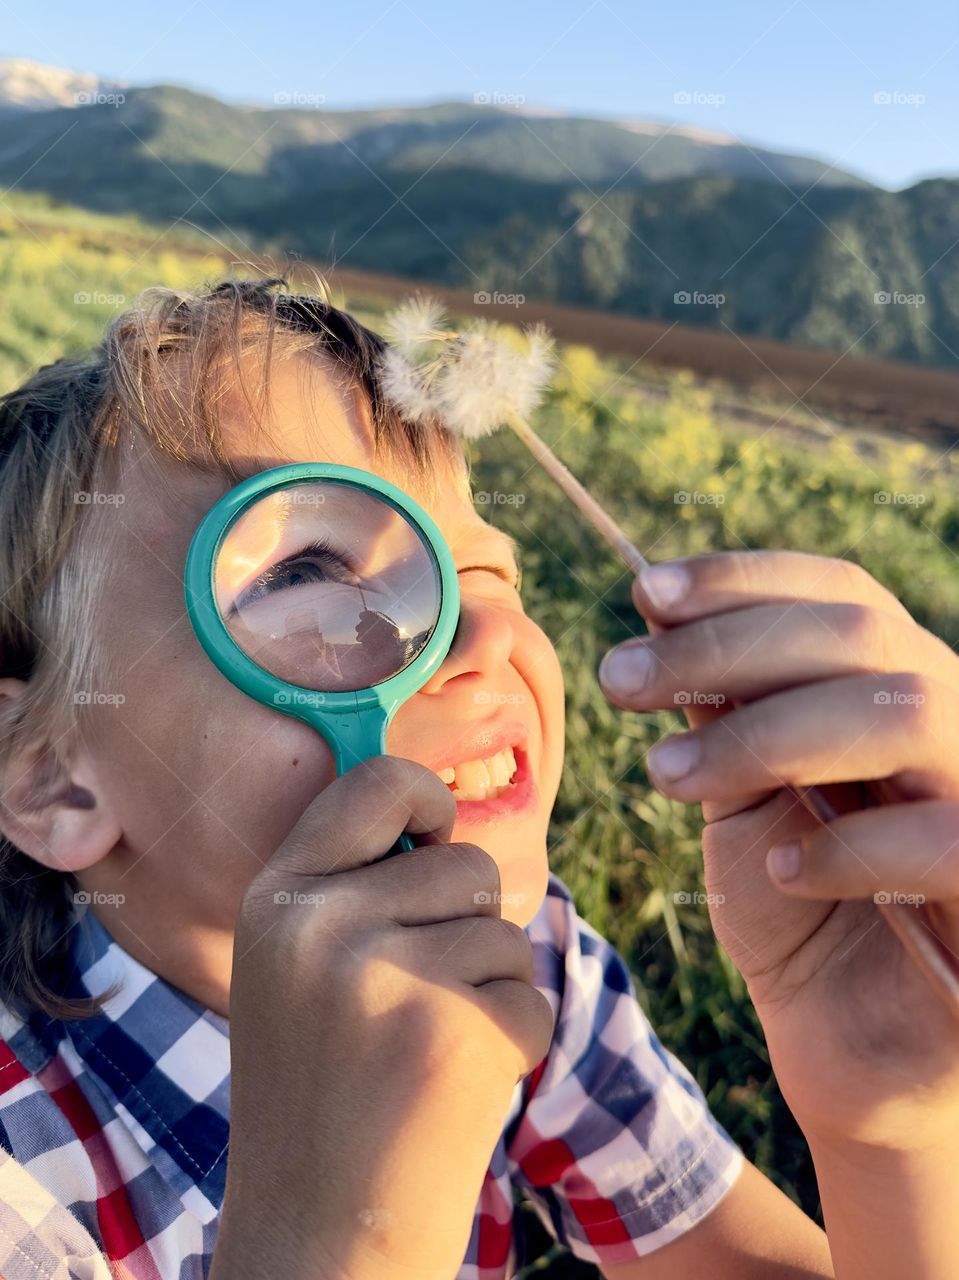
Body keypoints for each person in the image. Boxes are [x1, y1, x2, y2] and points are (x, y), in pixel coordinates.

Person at [0, 278, 955, 1280]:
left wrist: (890, 1134)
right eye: (307, 574)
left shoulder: (532, 962)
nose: (490, 632)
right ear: (49, 777)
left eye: (489, 574)